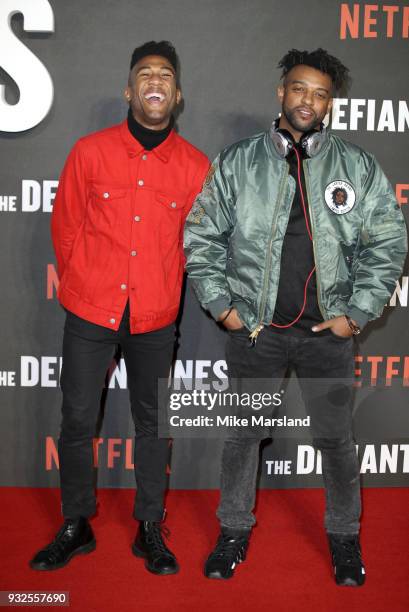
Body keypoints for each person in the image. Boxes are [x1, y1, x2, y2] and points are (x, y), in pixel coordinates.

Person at [184, 48, 407, 586]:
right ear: (281, 92)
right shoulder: (239, 160)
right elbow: (201, 236)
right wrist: (223, 307)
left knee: (335, 441)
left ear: (331, 102)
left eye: (321, 93)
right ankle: (233, 532)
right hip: (256, 333)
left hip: (325, 335)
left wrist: (356, 316)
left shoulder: (356, 165)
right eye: (300, 88)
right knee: (244, 438)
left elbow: (387, 243)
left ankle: (344, 539)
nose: (309, 100)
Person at [30, 41, 209, 575]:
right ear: (129, 90)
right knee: (78, 419)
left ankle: (149, 526)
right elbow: (65, 229)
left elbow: (195, 245)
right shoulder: (89, 152)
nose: (155, 81)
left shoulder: (196, 166)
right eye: (145, 74)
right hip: (89, 313)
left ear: (177, 95)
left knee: (154, 425)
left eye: (166, 75)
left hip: (155, 320)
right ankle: (76, 522)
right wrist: (87, 284)